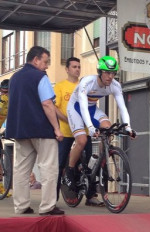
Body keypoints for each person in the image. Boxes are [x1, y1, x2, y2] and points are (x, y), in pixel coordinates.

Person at [65, 55, 136, 203]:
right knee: (82, 140)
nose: (110, 76)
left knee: (108, 128)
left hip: (92, 109)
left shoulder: (115, 85)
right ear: (99, 72)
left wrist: (128, 127)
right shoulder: (87, 82)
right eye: (106, 73)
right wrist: (90, 127)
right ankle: (70, 171)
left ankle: (100, 163)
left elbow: (122, 108)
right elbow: (83, 107)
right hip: (76, 108)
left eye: (113, 73)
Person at [5, 45, 65, 215]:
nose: (46, 66)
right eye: (45, 62)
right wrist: (56, 129)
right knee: (48, 168)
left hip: (20, 130)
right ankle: (47, 207)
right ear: (36, 59)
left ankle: (21, 206)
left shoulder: (14, 78)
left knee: (21, 170)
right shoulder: (40, 77)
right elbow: (47, 104)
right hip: (41, 129)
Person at [54, 57, 103, 206]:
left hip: (85, 131)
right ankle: (52, 198)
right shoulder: (60, 86)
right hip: (66, 132)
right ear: (67, 69)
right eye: (74, 67)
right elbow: (54, 107)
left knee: (91, 163)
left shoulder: (86, 85)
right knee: (60, 164)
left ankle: (91, 196)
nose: (77, 69)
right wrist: (69, 119)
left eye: (79, 67)